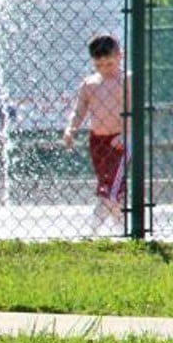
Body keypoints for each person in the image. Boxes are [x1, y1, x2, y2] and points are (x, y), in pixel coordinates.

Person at [62, 34, 131, 230]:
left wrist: (126, 134)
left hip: (120, 140)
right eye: (98, 65)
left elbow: (133, 111)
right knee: (107, 184)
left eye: (109, 64)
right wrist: (71, 129)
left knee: (111, 188)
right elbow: (79, 109)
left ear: (120, 56)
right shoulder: (89, 83)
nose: (104, 70)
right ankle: (120, 226)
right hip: (98, 141)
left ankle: (93, 228)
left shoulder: (126, 79)